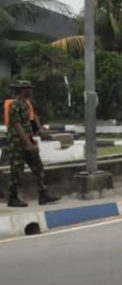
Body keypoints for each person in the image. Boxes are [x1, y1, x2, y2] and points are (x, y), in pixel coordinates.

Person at [6, 80, 60, 208]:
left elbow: (31, 121)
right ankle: (12, 198)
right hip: (17, 143)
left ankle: (43, 194)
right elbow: (18, 126)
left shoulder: (26, 104)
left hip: (28, 140)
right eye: (27, 88)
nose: (29, 90)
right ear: (21, 90)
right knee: (17, 172)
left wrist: (35, 135)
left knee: (38, 167)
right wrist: (27, 143)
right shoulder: (14, 105)